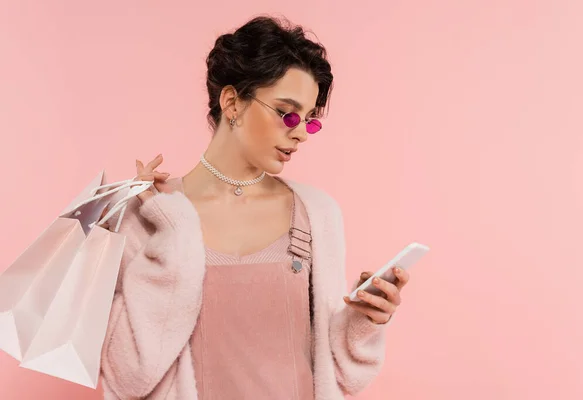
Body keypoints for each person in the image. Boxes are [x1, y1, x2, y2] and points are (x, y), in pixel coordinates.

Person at [99, 15, 410, 400]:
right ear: (232, 102)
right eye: (287, 113)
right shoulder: (149, 214)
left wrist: (363, 320)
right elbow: (128, 377)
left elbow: (342, 375)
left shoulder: (317, 214)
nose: (299, 132)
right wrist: (173, 232)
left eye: (310, 121)